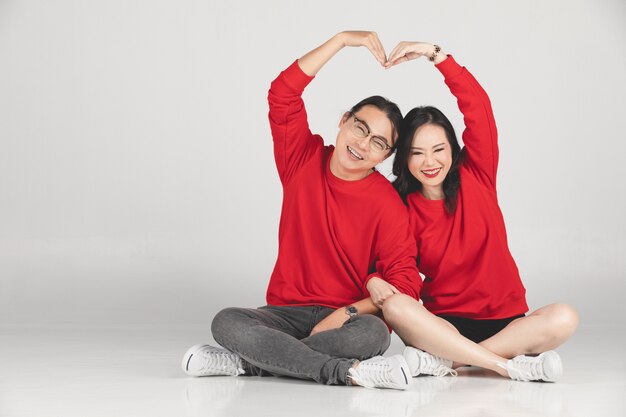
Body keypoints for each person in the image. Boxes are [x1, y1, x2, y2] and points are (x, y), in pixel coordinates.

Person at [181, 32, 422, 390]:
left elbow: (404, 284)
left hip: (347, 319)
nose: (362, 144)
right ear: (343, 120)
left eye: (378, 143)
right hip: (283, 313)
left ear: (385, 156)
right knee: (226, 322)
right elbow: (282, 93)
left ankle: (250, 363)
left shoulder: (388, 203)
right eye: (360, 127)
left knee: (373, 335)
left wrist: (347, 312)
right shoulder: (302, 159)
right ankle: (345, 372)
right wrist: (340, 41)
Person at [368, 41, 579, 382]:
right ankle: (506, 364)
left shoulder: (477, 173)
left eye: (439, 149)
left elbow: (478, 108)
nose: (430, 162)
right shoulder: (398, 204)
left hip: (508, 322)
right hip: (443, 324)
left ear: (454, 149)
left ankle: (453, 363)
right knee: (394, 306)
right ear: (404, 157)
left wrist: (434, 55)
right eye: (417, 153)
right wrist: (373, 279)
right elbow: (387, 264)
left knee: (564, 316)